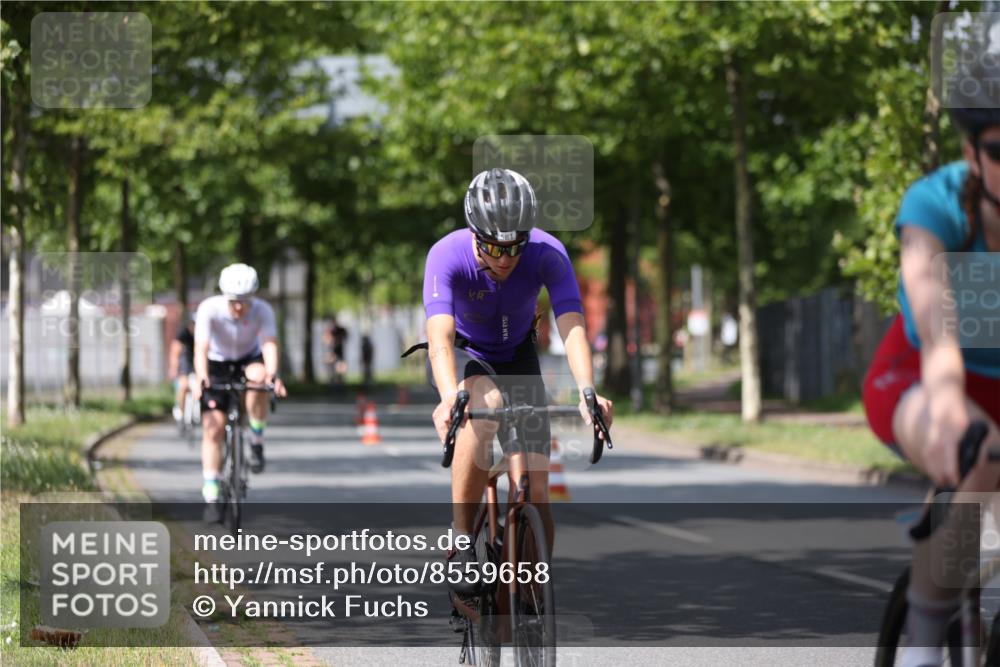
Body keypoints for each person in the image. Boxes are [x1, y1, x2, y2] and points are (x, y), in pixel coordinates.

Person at [862, 58, 1000, 666]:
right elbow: (939, 333)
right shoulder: (936, 205)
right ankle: (922, 640)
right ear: (972, 154)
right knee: (983, 451)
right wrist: (949, 404)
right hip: (917, 376)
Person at [419, 168, 613, 595]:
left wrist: (587, 390)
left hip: (520, 355)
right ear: (474, 234)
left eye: (514, 247)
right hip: (471, 356)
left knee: (536, 490)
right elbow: (439, 338)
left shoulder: (548, 252)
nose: (505, 258)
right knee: (478, 412)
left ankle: (529, 596)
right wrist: (450, 395)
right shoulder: (446, 255)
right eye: (492, 246)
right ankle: (461, 542)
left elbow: (572, 322)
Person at [191, 263, 287, 522]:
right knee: (214, 428)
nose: (239, 307)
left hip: (249, 359)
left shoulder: (263, 310)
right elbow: (200, 347)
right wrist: (201, 377)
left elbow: (269, 344)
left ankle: (256, 438)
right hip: (217, 363)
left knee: (258, 379)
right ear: (224, 295)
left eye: (245, 301)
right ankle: (211, 494)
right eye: (234, 301)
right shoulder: (209, 309)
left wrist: (273, 374)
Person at [169, 311, 196, 426]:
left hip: (199, 361)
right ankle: (180, 408)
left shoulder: (207, 332)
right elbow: (175, 350)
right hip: (186, 361)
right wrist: (174, 367)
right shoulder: (184, 333)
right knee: (184, 386)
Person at [322, 316, 348, 385]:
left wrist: (336, 339)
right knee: (331, 370)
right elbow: (326, 340)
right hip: (331, 353)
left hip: (339, 353)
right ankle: (332, 383)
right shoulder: (329, 331)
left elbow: (344, 336)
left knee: (340, 370)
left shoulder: (340, 330)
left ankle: (340, 384)